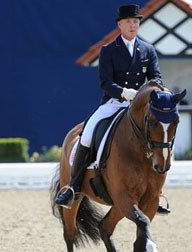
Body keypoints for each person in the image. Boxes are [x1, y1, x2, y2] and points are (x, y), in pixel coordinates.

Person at [55, 4, 170, 214]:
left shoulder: (148, 49)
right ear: (120, 25)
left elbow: (156, 77)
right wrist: (124, 93)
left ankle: (157, 193)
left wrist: (153, 90)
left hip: (141, 106)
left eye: (135, 22)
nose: (133, 25)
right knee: (88, 134)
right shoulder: (108, 50)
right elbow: (105, 82)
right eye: (128, 22)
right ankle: (72, 186)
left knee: (159, 134)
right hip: (115, 102)